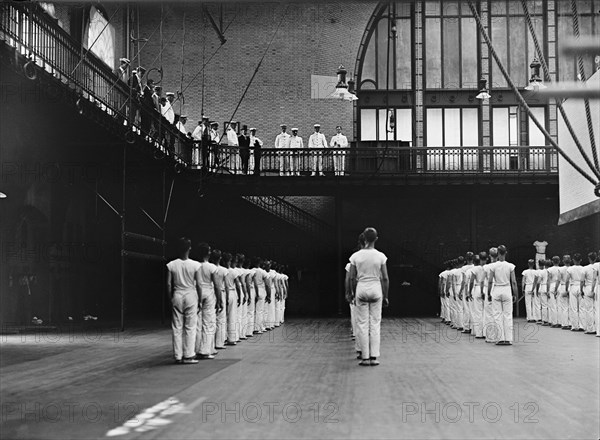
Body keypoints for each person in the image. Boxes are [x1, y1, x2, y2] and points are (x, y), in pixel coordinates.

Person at [349, 227, 389, 366]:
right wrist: (385, 296)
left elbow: (352, 278)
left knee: (362, 324)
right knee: (375, 324)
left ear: (364, 239)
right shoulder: (381, 256)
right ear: (376, 239)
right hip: (376, 288)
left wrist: (353, 293)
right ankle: (374, 357)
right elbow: (385, 278)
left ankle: (364, 357)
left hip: (361, 288)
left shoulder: (355, 256)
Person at [166, 237, 200, 364]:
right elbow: (199, 285)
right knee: (190, 326)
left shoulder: (172, 264)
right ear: (189, 248)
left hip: (177, 294)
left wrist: (170, 298)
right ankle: (189, 355)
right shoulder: (195, 265)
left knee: (177, 327)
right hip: (190, 294)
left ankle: (178, 356)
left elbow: (169, 284)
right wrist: (200, 300)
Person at [194, 242, 223, 359]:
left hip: (197, 292)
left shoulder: (195, 265)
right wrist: (220, 300)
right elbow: (217, 285)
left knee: (197, 323)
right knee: (209, 322)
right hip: (209, 293)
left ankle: (196, 349)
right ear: (208, 253)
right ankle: (206, 350)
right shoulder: (212, 267)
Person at [487, 245, 517, 345]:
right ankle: (508, 339)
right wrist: (515, 294)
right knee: (508, 315)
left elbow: (490, 281)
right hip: (507, 289)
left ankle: (500, 338)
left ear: (498, 254)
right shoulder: (510, 266)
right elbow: (513, 282)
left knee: (497, 314)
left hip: (496, 289)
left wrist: (488, 293)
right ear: (506, 253)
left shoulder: (493, 266)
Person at [210, 249, 228, 350]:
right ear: (220, 258)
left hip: (211, 293)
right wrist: (221, 299)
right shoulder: (223, 270)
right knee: (221, 319)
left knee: (211, 320)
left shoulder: (210, 268)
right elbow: (223, 285)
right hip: (220, 292)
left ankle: (211, 344)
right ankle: (219, 343)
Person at [468, 253, 487, 338]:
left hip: (477, 288)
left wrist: (469, 291)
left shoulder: (475, 269)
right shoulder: (489, 267)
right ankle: (486, 332)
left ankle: (479, 333)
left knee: (478, 312)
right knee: (486, 312)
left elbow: (471, 281)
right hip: (486, 288)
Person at [566, 253, 585, 331]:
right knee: (582, 308)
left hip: (573, 287)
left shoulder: (570, 269)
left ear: (573, 260)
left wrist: (566, 289)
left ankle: (574, 326)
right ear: (581, 260)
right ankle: (582, 325)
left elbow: (567, 280)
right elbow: (584, 280)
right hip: (581, 286)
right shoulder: (583, 268)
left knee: (573, 308)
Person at [223, 253, 238, 345]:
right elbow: (239, 285)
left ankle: (222, 338)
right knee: (232, 316)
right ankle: (232, 338)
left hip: (222, 293)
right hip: (231, 292)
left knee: (222, 317)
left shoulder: (220, 270)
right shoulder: (233, 272)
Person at [581, 252, 597, 334]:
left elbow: (582, 280)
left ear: (589, 258)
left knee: (589, 309)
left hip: (588, 287)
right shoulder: (597, 266)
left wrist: (581, 290)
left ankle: (591, 328)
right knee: (597, 309)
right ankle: (598, 328)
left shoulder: (585, 268)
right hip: (597, 287)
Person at [546, 256, 561, 328]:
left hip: (552, 285)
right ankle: (560, 321)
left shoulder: (549, 269)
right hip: (559, 286)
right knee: (559, 305)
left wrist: (547, 290)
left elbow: (548, 280)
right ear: (559, 261)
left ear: (552, 261)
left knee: (553, 305)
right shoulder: (561, 269)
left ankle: (554, 322)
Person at [557, 255, 572, 329]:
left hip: (563, 286)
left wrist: (555, 289)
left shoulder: (561, 269)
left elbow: (559, 280)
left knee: (564, 307)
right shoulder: (572, 268)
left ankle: (565, 323)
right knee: (571, 306)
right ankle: (571, 323)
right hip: (571, 286)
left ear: (563, 261)